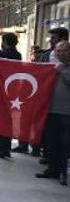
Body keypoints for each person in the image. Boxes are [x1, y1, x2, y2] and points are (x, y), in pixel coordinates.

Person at [37, 40, 70, 185]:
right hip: (51, 111)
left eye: (64, 50)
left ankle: (64, 172)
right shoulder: (53, 66)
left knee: (65, 144)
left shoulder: (62, 69)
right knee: (52, 141)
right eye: (58, 50)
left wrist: (61, 71)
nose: (60, 53)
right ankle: (53, 169)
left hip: (66, 113)